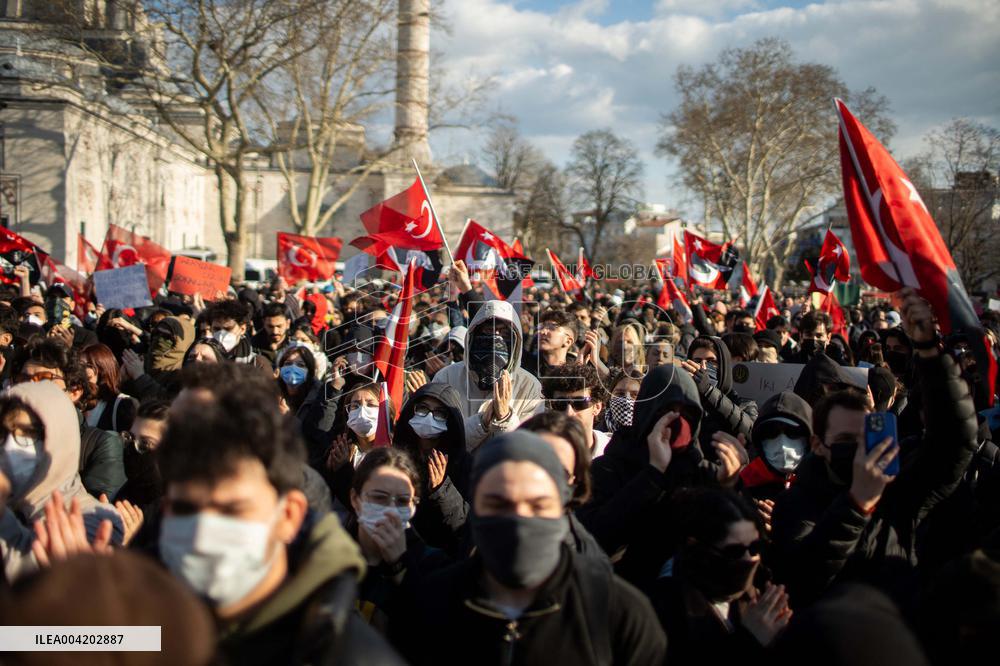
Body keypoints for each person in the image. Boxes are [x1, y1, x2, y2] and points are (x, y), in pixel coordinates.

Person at [156, 377, 402, 664]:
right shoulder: (167, 584)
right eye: (187, 508)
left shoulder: (344, 646)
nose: (206, 527)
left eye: (232, 509)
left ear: (288, 514)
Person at [771, 291, 979, 608]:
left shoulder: (899, 492)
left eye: (862, 438)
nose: (856, 451)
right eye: (844, 441)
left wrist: (929, 353)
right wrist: (857, 505)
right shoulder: (794, 504)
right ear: (818, 444)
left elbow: (956, 441)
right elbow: (804, 577)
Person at [391, 431, 666, 666]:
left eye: (536, 504)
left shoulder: (619, 613)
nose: (517, 519)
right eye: (498, 503)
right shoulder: (431, 604)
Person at [649, 488, 792, 665]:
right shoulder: (666, 606)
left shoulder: (758, 589)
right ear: (696, 547)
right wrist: (750, 640)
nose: (748, 559)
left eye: (755, 548)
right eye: (734, 551)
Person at [0, 381, 124, 582]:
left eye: (27, 434)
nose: (9, 446)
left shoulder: (97, 517)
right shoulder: (13, 503)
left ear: (58, 438)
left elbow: (31, 580)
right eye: (4, 434)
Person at [348, 447, 449, 633]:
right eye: (379, 498)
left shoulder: (432, 564)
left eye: (402, 501)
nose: (390, 510)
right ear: (355, 499)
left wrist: (401, 567)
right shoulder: (331, 555)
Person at [431, 299, 544, 451]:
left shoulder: (529, 386)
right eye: (488, 331)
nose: (495, 339)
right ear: (473, 334)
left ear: (516, 341)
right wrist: (481, 423)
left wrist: (505, 418)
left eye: (504, 333)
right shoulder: (447, 377)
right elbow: (439, 441)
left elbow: (526, 449)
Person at [392, 383, 471, 555]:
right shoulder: (394, 457)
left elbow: (464, 526)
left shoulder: (464, 464)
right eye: (423, 409)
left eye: (439, 413)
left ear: (451, 419)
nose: (429, 417)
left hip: (442, 559)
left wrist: (442, 489)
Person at [519, 411, 606, 562]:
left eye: (559, 472)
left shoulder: (585, 558)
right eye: (536, 464)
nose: (544, 478)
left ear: (575, 480)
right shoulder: (482, 523)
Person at [739, 391, 812, 531]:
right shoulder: (745, 485)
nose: (782, 443)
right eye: (771, 433)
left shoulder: (822, 488)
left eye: (792, 432)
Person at [680, 335, 758, 453]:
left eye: (712, 361)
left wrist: (709, 391)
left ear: (724, 366)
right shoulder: (683, 402)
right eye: (697, 361)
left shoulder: (744, 403)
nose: (703, 367)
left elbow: (751, 433)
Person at [541, 364, 610, 459]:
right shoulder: (540, 453)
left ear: (597, 407)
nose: (569, 412)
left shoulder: (615, 451)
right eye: (560, 404)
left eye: (579, 403)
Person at [80, 343, 138, 433]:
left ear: (102, 368)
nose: (80, 370)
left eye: (88, 366)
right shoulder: (76, 400)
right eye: (79, 364)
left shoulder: (123, 404)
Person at [522, 308, 576, 378]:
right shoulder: (524, 364)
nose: (542, 332)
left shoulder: (573, 375)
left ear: (568, 341)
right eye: (541, 327)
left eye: (552, 328)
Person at [603, 367, 643, 433]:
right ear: (610, 397)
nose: (626, 400)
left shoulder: (653, 434)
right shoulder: (595, 435)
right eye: (620, 394)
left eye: (635, 395)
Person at [253, 301, 291, 367]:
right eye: (270, 326)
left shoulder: (295, 345)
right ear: (264, 323)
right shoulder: (252, 346)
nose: (275, 331)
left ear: (288, 324)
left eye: (279, 326)